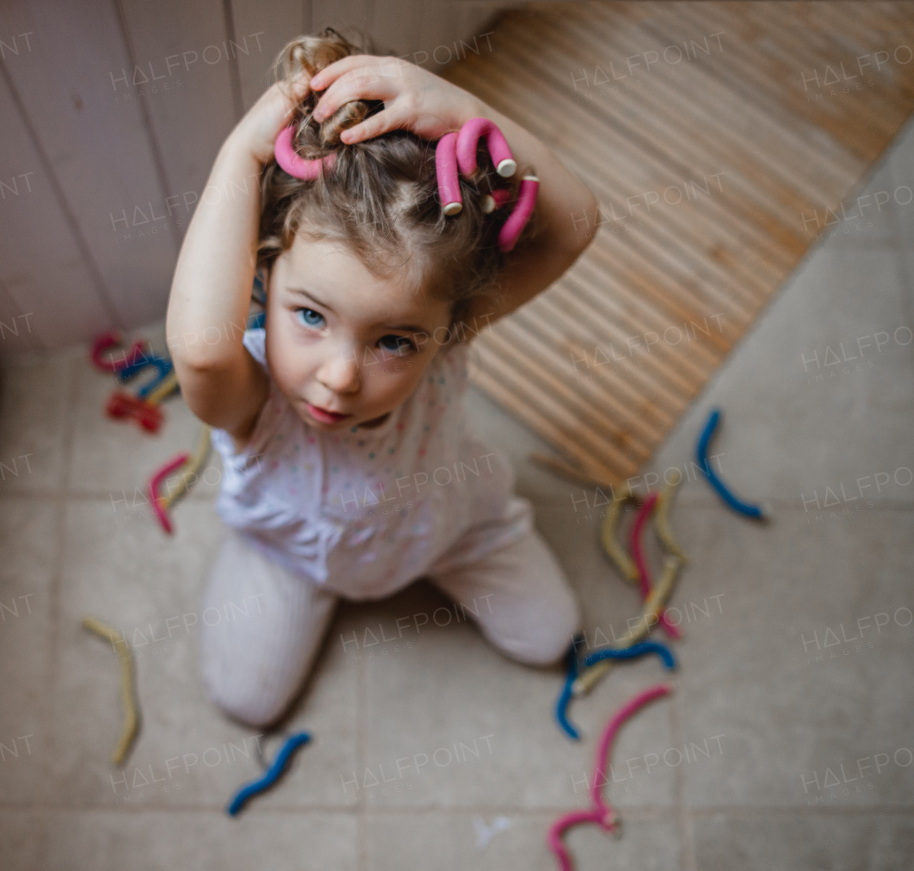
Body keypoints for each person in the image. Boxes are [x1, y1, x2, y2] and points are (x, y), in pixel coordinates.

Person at [165, 27, 600, 728]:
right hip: (298, 555)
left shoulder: (449, 334)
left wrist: (461, 108)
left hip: (453, 525)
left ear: (451, 325)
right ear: (264, 269)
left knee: (550, 635)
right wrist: (241, 153)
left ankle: (452, 553)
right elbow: (199, 349)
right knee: (244, 698)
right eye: (310, 315)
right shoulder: (251, 399)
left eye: (393, 340)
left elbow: (575, 223)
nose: (339, 376)